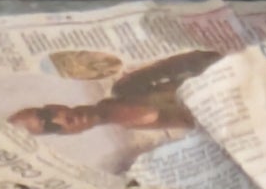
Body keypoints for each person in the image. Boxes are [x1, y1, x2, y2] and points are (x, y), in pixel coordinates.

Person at [11, 50, 220, 137]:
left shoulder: (125, 88)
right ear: (66, 134)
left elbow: (184, 62)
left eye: (47, 115)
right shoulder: (134, 140)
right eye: (51, 127)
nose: (61, 119)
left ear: (53, 106)